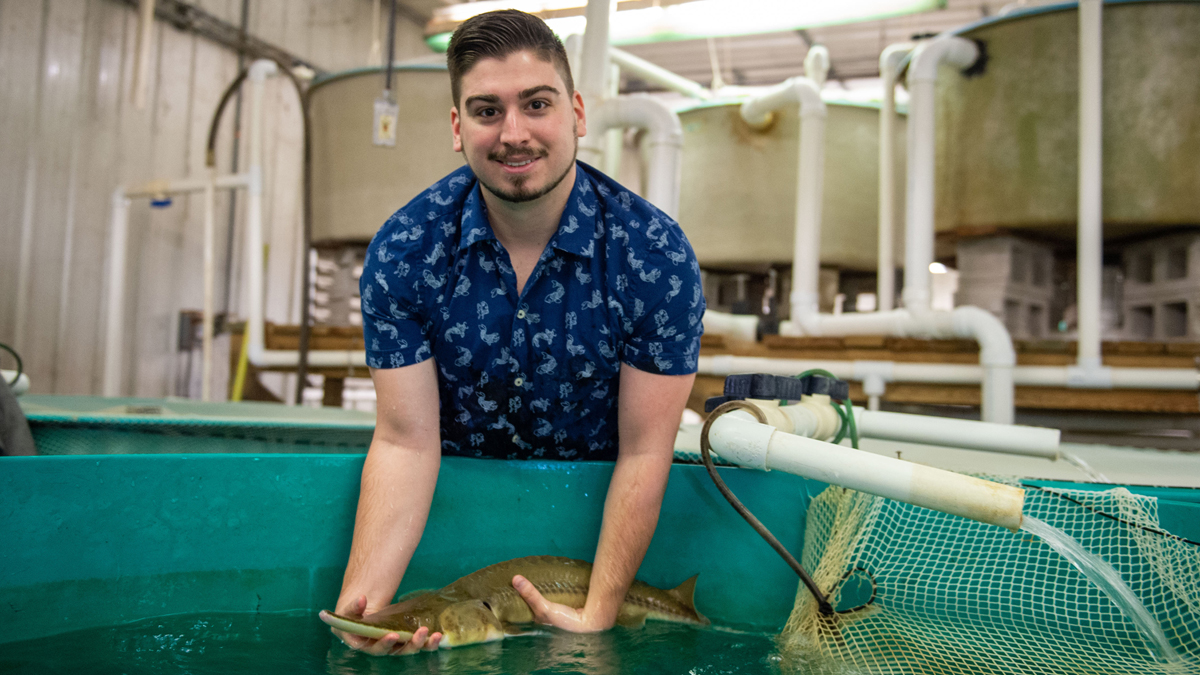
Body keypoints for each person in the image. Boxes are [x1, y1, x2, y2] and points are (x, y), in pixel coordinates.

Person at [330, 9, 705, 656]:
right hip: (462, 508)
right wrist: (365, 610)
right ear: (456, 127)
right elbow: (404, 440)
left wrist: (599, 610)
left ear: (578, 114)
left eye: (537, 104)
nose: (513, 133)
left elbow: (646, 450)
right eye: (485, 110)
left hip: (596, 517)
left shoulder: (655, 255)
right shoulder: (405, 249)